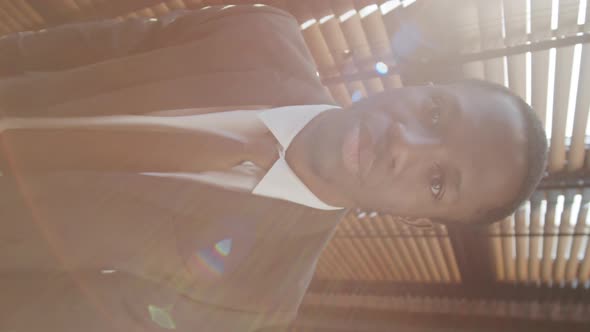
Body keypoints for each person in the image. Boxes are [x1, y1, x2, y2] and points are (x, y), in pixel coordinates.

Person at [0, 4, 547, 332]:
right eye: (434, 113)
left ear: (418, 221)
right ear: (423, 85)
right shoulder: (260, 32)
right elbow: (72, 49)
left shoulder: (253, 302)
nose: (405, 143)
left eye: (437, 181)